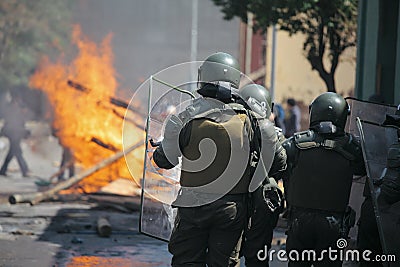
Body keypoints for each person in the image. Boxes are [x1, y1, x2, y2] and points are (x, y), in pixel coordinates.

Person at [152, 52, 268, 266]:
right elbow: (268, 161)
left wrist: (162, 147)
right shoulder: (250, 120)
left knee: (187, 261)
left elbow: (165, 161)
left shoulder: (185, 117)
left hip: (193, 205)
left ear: (203, 78)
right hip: (232, 208)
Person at [282, 92, 366, 266]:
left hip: (300, 220)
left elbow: (278, 163)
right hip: (333, 223)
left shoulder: (296, 143)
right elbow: (362, 170)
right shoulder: (352, 148)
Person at [237, 84, 287, 267]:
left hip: (235, 199)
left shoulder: (233, 131)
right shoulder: (275, 135)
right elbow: (281, 167)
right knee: (257, 258)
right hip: (263, 202)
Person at [0, 96, 30, 177]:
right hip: (13, 134)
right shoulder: (14, 112)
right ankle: (25, 170)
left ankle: (3, 170)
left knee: (13, 152)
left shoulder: (16, 112)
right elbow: (14, 125)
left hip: (15, 134)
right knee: (17, 152)